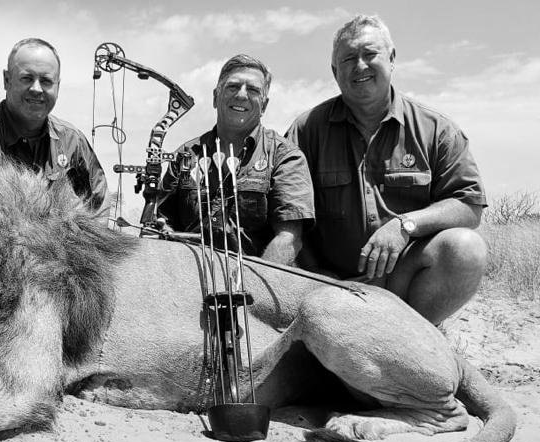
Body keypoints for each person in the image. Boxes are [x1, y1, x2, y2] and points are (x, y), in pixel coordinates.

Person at [286, 15, 488, 325]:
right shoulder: (306, 130)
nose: (360, 65)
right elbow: (288, 218)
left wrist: (405, 225)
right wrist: (316, 275)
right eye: (349, 58)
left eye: (370, 54)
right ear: (334, 71)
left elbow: (469, 205)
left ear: (392, 59)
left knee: (466, 249)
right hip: (331, 286)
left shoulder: (436, 130)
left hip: (403, 281)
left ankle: (413, 334)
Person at [153, 55, 314, 264]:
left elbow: (289, 239)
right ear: (215, 97)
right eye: (233, 86)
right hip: (189, 282)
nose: (241, 95)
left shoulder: (285, 155)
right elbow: (163, 225)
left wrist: (252, 291)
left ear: (264, 105)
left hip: (257, 285)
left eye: (253, 90)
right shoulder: (187, 154)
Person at [0, 38, 107, 210]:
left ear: (58, 86)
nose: (36, 88)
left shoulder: (72, 141)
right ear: (7, 80)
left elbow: (99, 203)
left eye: (46, 81)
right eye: (27, 78)